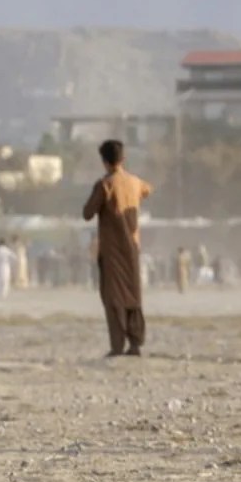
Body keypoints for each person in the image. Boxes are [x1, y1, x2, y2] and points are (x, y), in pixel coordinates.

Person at [82, 139, 152, 356]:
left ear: (104, 161)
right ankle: (136, 343)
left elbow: (87, 213)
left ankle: (117, 345)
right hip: (133, 246)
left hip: (112, 250)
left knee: (113, 297)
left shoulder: (105, 184)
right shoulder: (135, 182)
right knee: (133, 294)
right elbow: (147, 190)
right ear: (123, 158)